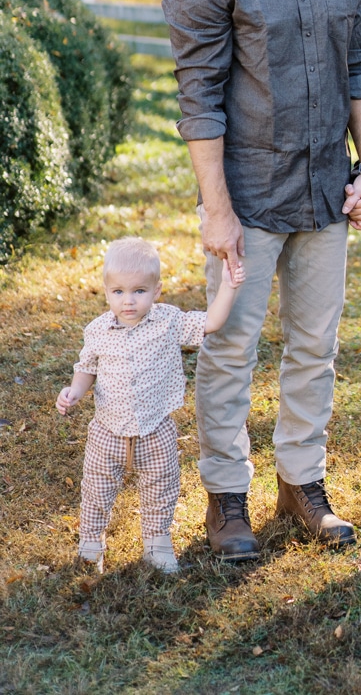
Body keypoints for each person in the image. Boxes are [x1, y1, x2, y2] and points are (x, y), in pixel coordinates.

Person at [161, 0, 361, 560]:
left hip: (325, 191)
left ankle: (301, 485)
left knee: (315, 348)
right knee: (229, 347)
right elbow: (200, 102)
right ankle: (226, 499)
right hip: (249, 197)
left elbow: (360, 65)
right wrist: (216, 211)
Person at [56, 236, 245, 574]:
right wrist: (73, 392)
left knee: (162, 486)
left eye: (139, 291)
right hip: (107, 431)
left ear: (157, 291)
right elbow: (87, 368)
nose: (128, 301)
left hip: (154, 427)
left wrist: (229, 287)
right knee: (97, 490)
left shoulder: (169, 322)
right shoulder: (98, 330)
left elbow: (211, 322)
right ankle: (91, 543)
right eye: (118, 292)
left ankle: (157, 542)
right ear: (107, 291)